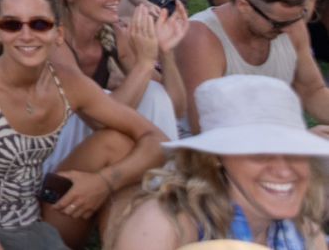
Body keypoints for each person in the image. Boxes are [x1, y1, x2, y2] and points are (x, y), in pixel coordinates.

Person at [0, 0, 164, 250]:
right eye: (12, 25)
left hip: (34, 222)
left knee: (118, 143)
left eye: (39, 24)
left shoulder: (66, 83)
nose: (26, 35)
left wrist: (104, 182)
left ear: (58, 34)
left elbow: (155, 139)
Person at [111, 75, 329, 250]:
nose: (283, 171)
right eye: (259, 154)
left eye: (294, 152)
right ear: (215, 158)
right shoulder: (163, 225)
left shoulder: (304, 231)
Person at [45, 0, 186, 172]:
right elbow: (100, 120)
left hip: (96, 146)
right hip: (48, 153)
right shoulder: (53, 43)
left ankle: (161, 180)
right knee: (106, 100)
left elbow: (173, 108)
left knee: (154, 93)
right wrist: (145, 63)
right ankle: (160, 177)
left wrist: (166, 52)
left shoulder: (111, 34)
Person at [176, 0, 329, 133]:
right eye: (278, 23)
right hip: (208, 153)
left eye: (298, 17)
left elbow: (312, 91)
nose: (289, 30)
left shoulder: (291, 24)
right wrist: (298, 141)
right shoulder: (201, 38)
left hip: (271, 143)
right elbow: (207, 128)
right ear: (243, 6)